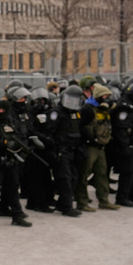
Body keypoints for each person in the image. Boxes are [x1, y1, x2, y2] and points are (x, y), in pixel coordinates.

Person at [0, 99, 33, 229]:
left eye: (4, 110)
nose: (1, 112)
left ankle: (17, 216)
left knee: (13, 188)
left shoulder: (13, 122)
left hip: (12, 160)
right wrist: (3, 143)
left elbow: (21, 137)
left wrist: (21, 150)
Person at [42, 85, 85, 217]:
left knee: (73, 178)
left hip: (72, 150)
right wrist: (53, 151)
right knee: (64, 179)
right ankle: (67, 207)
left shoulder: (75, 113)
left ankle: (62, 204)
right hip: (61, 151)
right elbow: (49, 133)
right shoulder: (56, 113)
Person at [76, 85, 120, 212]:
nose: (107, 99)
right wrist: (90, 139)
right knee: (84, 174)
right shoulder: (87, 109)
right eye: (105, 96)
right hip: (90, 146)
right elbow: (82, 127)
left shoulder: (103, 109)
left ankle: (104, 200)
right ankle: (82, 202)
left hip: (100, 147)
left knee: (102, 174)